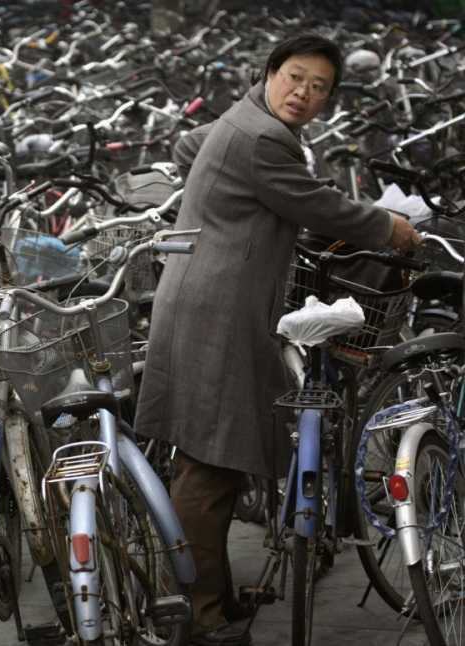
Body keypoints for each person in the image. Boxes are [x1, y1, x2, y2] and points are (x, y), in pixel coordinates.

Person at [133, 33, 420, 646]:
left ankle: (215, 599)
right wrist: (390, 227)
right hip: (219, 312)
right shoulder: (263, 138)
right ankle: (198, 619)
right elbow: (318, 205)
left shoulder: (245, 119)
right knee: (209, 466)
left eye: (319, 88)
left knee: (217, 458)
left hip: (205, 300)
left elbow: (259, 187)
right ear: (269, 72)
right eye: (295, 77)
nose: (304, 94)